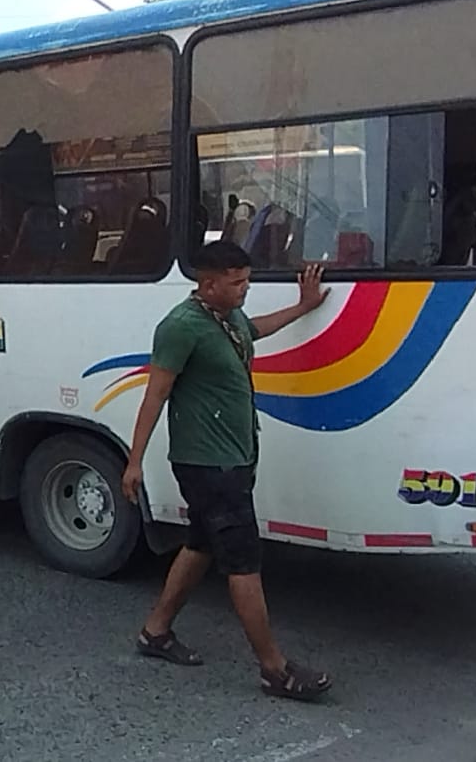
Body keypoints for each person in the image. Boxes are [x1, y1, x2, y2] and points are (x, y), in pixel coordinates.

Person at [121, 240, 334, 701]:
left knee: (200, 543)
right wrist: (134, 460)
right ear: (208, 283)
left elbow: (253, 330)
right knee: (242, 562)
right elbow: (155, 394)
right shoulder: (181, 327)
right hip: (207, 464)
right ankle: (274, 670)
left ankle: (155, 632)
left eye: (247, 280)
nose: (244, 289)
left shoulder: (227, 316)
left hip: (234, 457)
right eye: (236, 282)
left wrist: (302, 307)